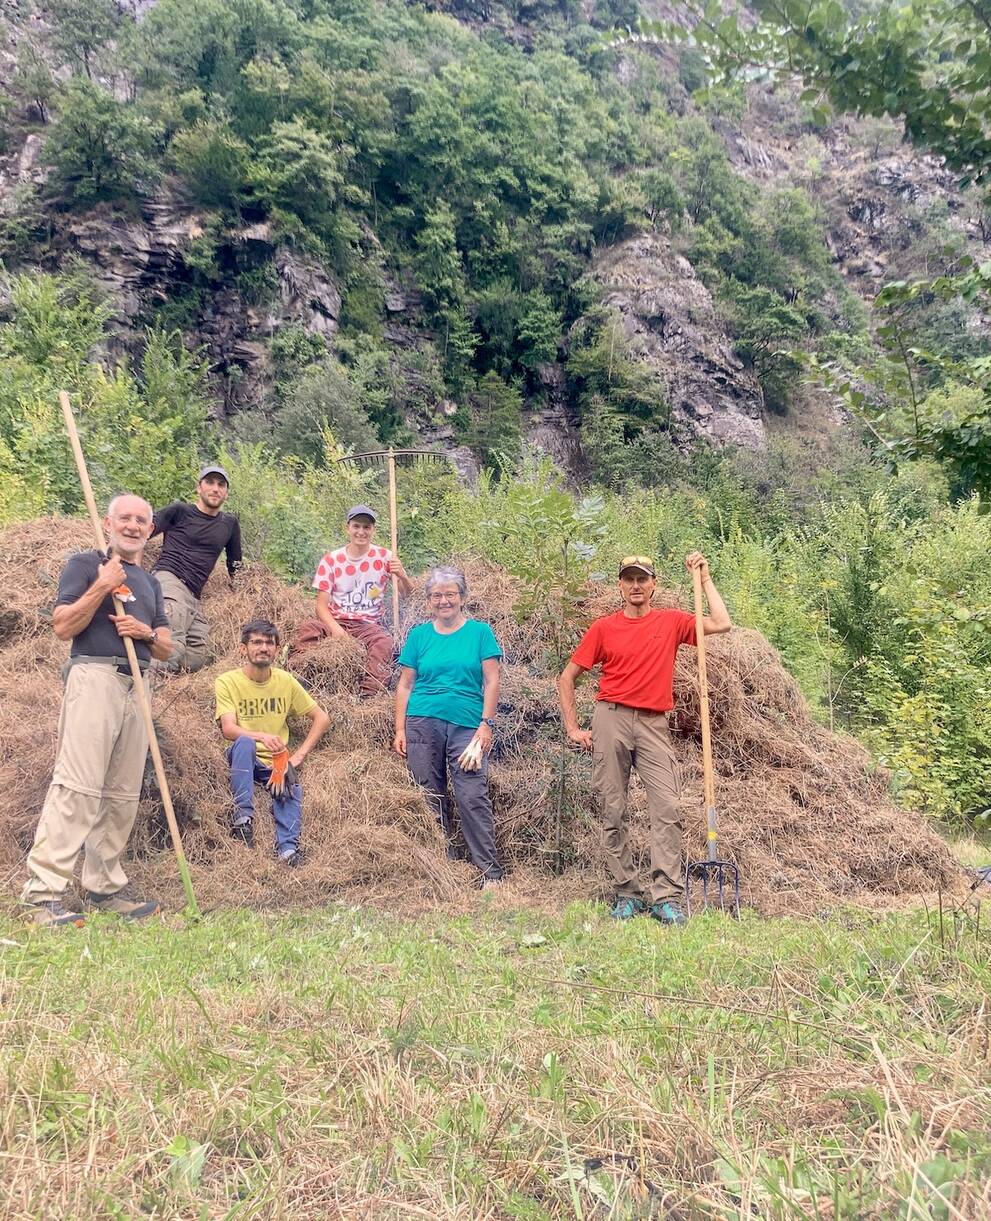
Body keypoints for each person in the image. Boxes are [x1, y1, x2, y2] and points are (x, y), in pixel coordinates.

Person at [21, 495, 174, 927]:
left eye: (141, 520)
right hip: (95, 678)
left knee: (121, 793)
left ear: (150, 529)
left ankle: (104, 887)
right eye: (124, 518)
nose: (132, 525)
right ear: (108, 523)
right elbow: (63, 625)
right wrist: (103, 586)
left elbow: (166, 645)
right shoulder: (86, 565)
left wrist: (143, 631)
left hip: (138, 684)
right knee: (78, 786)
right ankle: (42, 895)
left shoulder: (150, 582)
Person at [558, 553, 731, 925]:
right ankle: (626, 892)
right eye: (629, 579)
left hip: (654, 723)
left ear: (654, 585)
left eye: (643, 579)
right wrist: (573, 727)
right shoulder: (603, 628)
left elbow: (721, 622)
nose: (636, 585)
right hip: (611, 719)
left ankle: (665, 896)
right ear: (620, 586)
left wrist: (704, 580)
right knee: (612, 808)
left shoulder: (671, 622)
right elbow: (567, 677)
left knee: (666, 808)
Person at [394, 566, 504, 884]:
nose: (444, 601)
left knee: (472, 794)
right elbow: (405, 685)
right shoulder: (419, 636)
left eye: (450, 594)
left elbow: (492, 680)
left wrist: (487, 724)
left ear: (462, 598)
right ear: (429, 601)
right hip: (422, 721)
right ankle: (441, 865)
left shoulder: (480, 633)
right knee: (428, 791)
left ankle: (489, 873)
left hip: (468, 724)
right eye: (437, 595)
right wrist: (399, 729)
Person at [215, 619, 330, 865]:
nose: (263, 647)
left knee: (291, 786)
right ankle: (243, 819)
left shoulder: (285, 681)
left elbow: (322, 718)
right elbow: (228, 729)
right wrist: (261, 736)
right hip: (241, 759)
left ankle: (288, 850)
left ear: (277, 649)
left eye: (269, 643)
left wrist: (297, 756)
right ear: (243, 649)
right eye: (256, 642)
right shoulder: (227, 681)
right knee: (245, 743)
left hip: (275, 763)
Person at [293, 505, 413, 697]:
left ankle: (369, 695)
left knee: (385, 643)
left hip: (369, 624)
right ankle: (303, 679)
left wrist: (403, 576)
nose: (361, 532)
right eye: (356, 526)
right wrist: (336, 630)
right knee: (308, 629)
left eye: (367, 527)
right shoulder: (331, 560)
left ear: (373, 530)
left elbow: (407, 595)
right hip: (337, 619)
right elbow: (321, 607)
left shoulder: (385, 557)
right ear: (347, 527)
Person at [150, 465, 242, 673]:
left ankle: (156, 672)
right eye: (209, 482)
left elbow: (235, 565)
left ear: (226, 492)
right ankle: (149, 690)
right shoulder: (180, 511)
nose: (215, 489)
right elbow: (147, 529)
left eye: (221, 484)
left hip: (193, 595)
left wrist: (246, 591)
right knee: (172, 642)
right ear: (198, 488)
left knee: (200, 654)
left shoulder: (229, 524)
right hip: (169, 579)